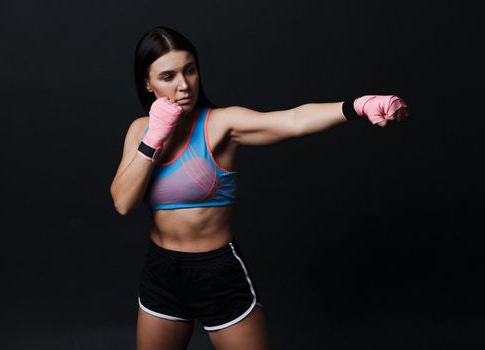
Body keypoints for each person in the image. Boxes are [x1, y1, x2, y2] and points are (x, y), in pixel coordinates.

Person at [109, 26, 409, 350]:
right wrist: (154, 137)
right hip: (162, 272)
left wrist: (359, 106)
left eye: (190, 70)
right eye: (168, 76)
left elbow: (292, 121)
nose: (184, 85)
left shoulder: (222, 124)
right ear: (147, 83)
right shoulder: (140, 130)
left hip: (216, 272)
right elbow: (123, 202)